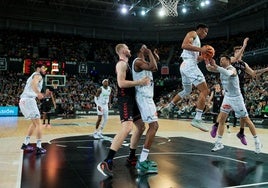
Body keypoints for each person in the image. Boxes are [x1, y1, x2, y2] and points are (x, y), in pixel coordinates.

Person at [97, 43, 150, 177]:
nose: (129, 49)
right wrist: (140, 82)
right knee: (127, 128)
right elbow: (121, 83)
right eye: (128, 47)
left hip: (133, 99)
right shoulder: (121, 64)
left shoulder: (128, 64)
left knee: (141, 126)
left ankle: (131, 156)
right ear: (122, 50)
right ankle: (108, 160)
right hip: (125, 99)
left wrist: (143, 53)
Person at [210, 37, 268, 145]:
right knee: (224, 113)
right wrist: (244, 46)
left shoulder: (243, 64)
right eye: (236, 52)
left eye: (239, 51)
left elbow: (254, 73)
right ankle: (216, 126)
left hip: (240, 90)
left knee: (243, 115)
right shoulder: (231, 61)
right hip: (229, 89)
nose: (238, 53)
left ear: (242, 54)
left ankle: (241, 133)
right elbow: (235, 58)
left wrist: (265, 69)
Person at [206, 55, 262, 153]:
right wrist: (207, 61)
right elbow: (210, 69)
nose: (220, 61)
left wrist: (216, 66)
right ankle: (219, 143)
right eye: (220, 60)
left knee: (246, 120)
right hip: (227, 97)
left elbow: (228, 73)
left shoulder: (233, 69)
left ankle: (257, 142)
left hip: (237, 99)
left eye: (222, 60)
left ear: (228, 61)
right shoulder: (221, 69)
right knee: (222, 119)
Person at [165, 23, 212, 132]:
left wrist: (204, 56)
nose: (205, 34)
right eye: (205, 31)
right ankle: (197, 119)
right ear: (199, 29)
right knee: (205, 90)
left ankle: (169, 106)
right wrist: (201, 50)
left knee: (187, 90)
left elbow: (195, 57)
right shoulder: (193, 33)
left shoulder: (198, 41)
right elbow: (184, 45)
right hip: (189, 65)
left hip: (186, 65)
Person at [131, 44, 159, 174]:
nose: (146, 48)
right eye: (144, 48)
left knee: (153, 126)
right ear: (139, 51)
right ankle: (142, 161)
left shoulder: (143, 62)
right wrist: (149, 53)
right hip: (144, 97)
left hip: (147, 97)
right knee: (154, 126)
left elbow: (153, 65)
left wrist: (153, 55)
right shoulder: (138, 61)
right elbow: (154, 67)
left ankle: (143, 159)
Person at [19, 63, 47, 155]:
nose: (45, 69)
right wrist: (38, 93)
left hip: (23, 101)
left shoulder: (32, 75)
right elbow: (34, 84)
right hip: (29, 100)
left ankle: (25, 144)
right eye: (44, 67)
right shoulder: (38, 75)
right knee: (39, 124)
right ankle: (39, 147)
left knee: (34, 123)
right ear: (38, 68)